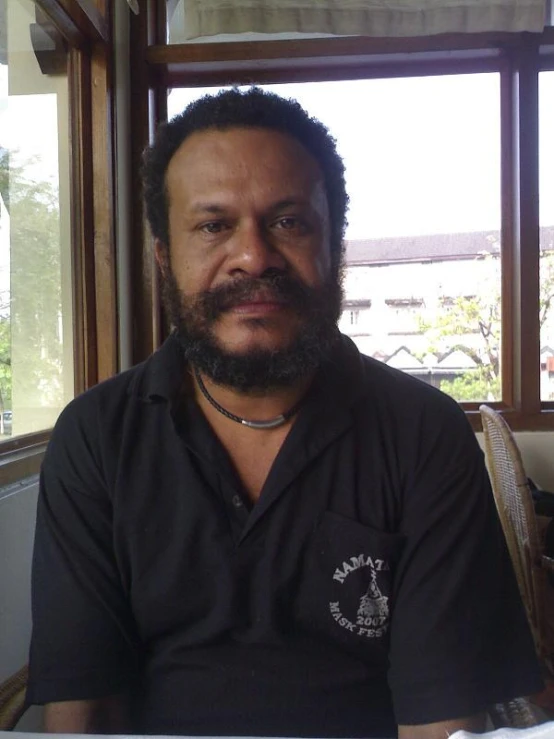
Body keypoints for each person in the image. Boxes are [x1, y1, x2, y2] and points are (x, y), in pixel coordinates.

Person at [26, 87, 543, 738]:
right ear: (164, 255)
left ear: (335, 245)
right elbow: (83, 712)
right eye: (214, 225)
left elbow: (441, 723)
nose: (254, 255)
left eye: (289, 221)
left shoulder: (423, 433)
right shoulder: (97, 437)